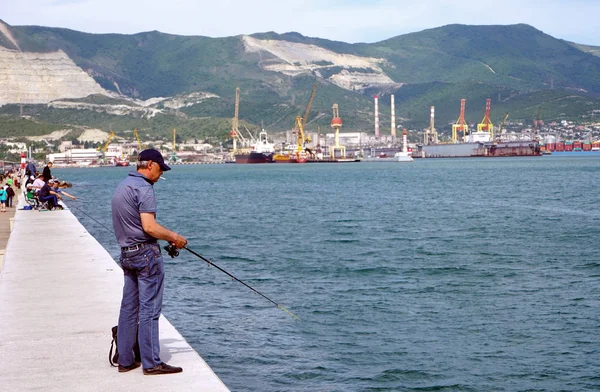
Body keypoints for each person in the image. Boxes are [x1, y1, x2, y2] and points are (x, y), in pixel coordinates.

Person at [111, 149, 187, 375]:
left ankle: (125, 360)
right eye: (160, 168)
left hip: (126, 253)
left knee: (128, 308)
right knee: (150, 310)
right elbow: (149, 227)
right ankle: (151, 362)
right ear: (151, 165)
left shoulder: (122, 186)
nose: (160, 174)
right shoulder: (144, 188)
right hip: (145, 255)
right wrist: (176, 238)